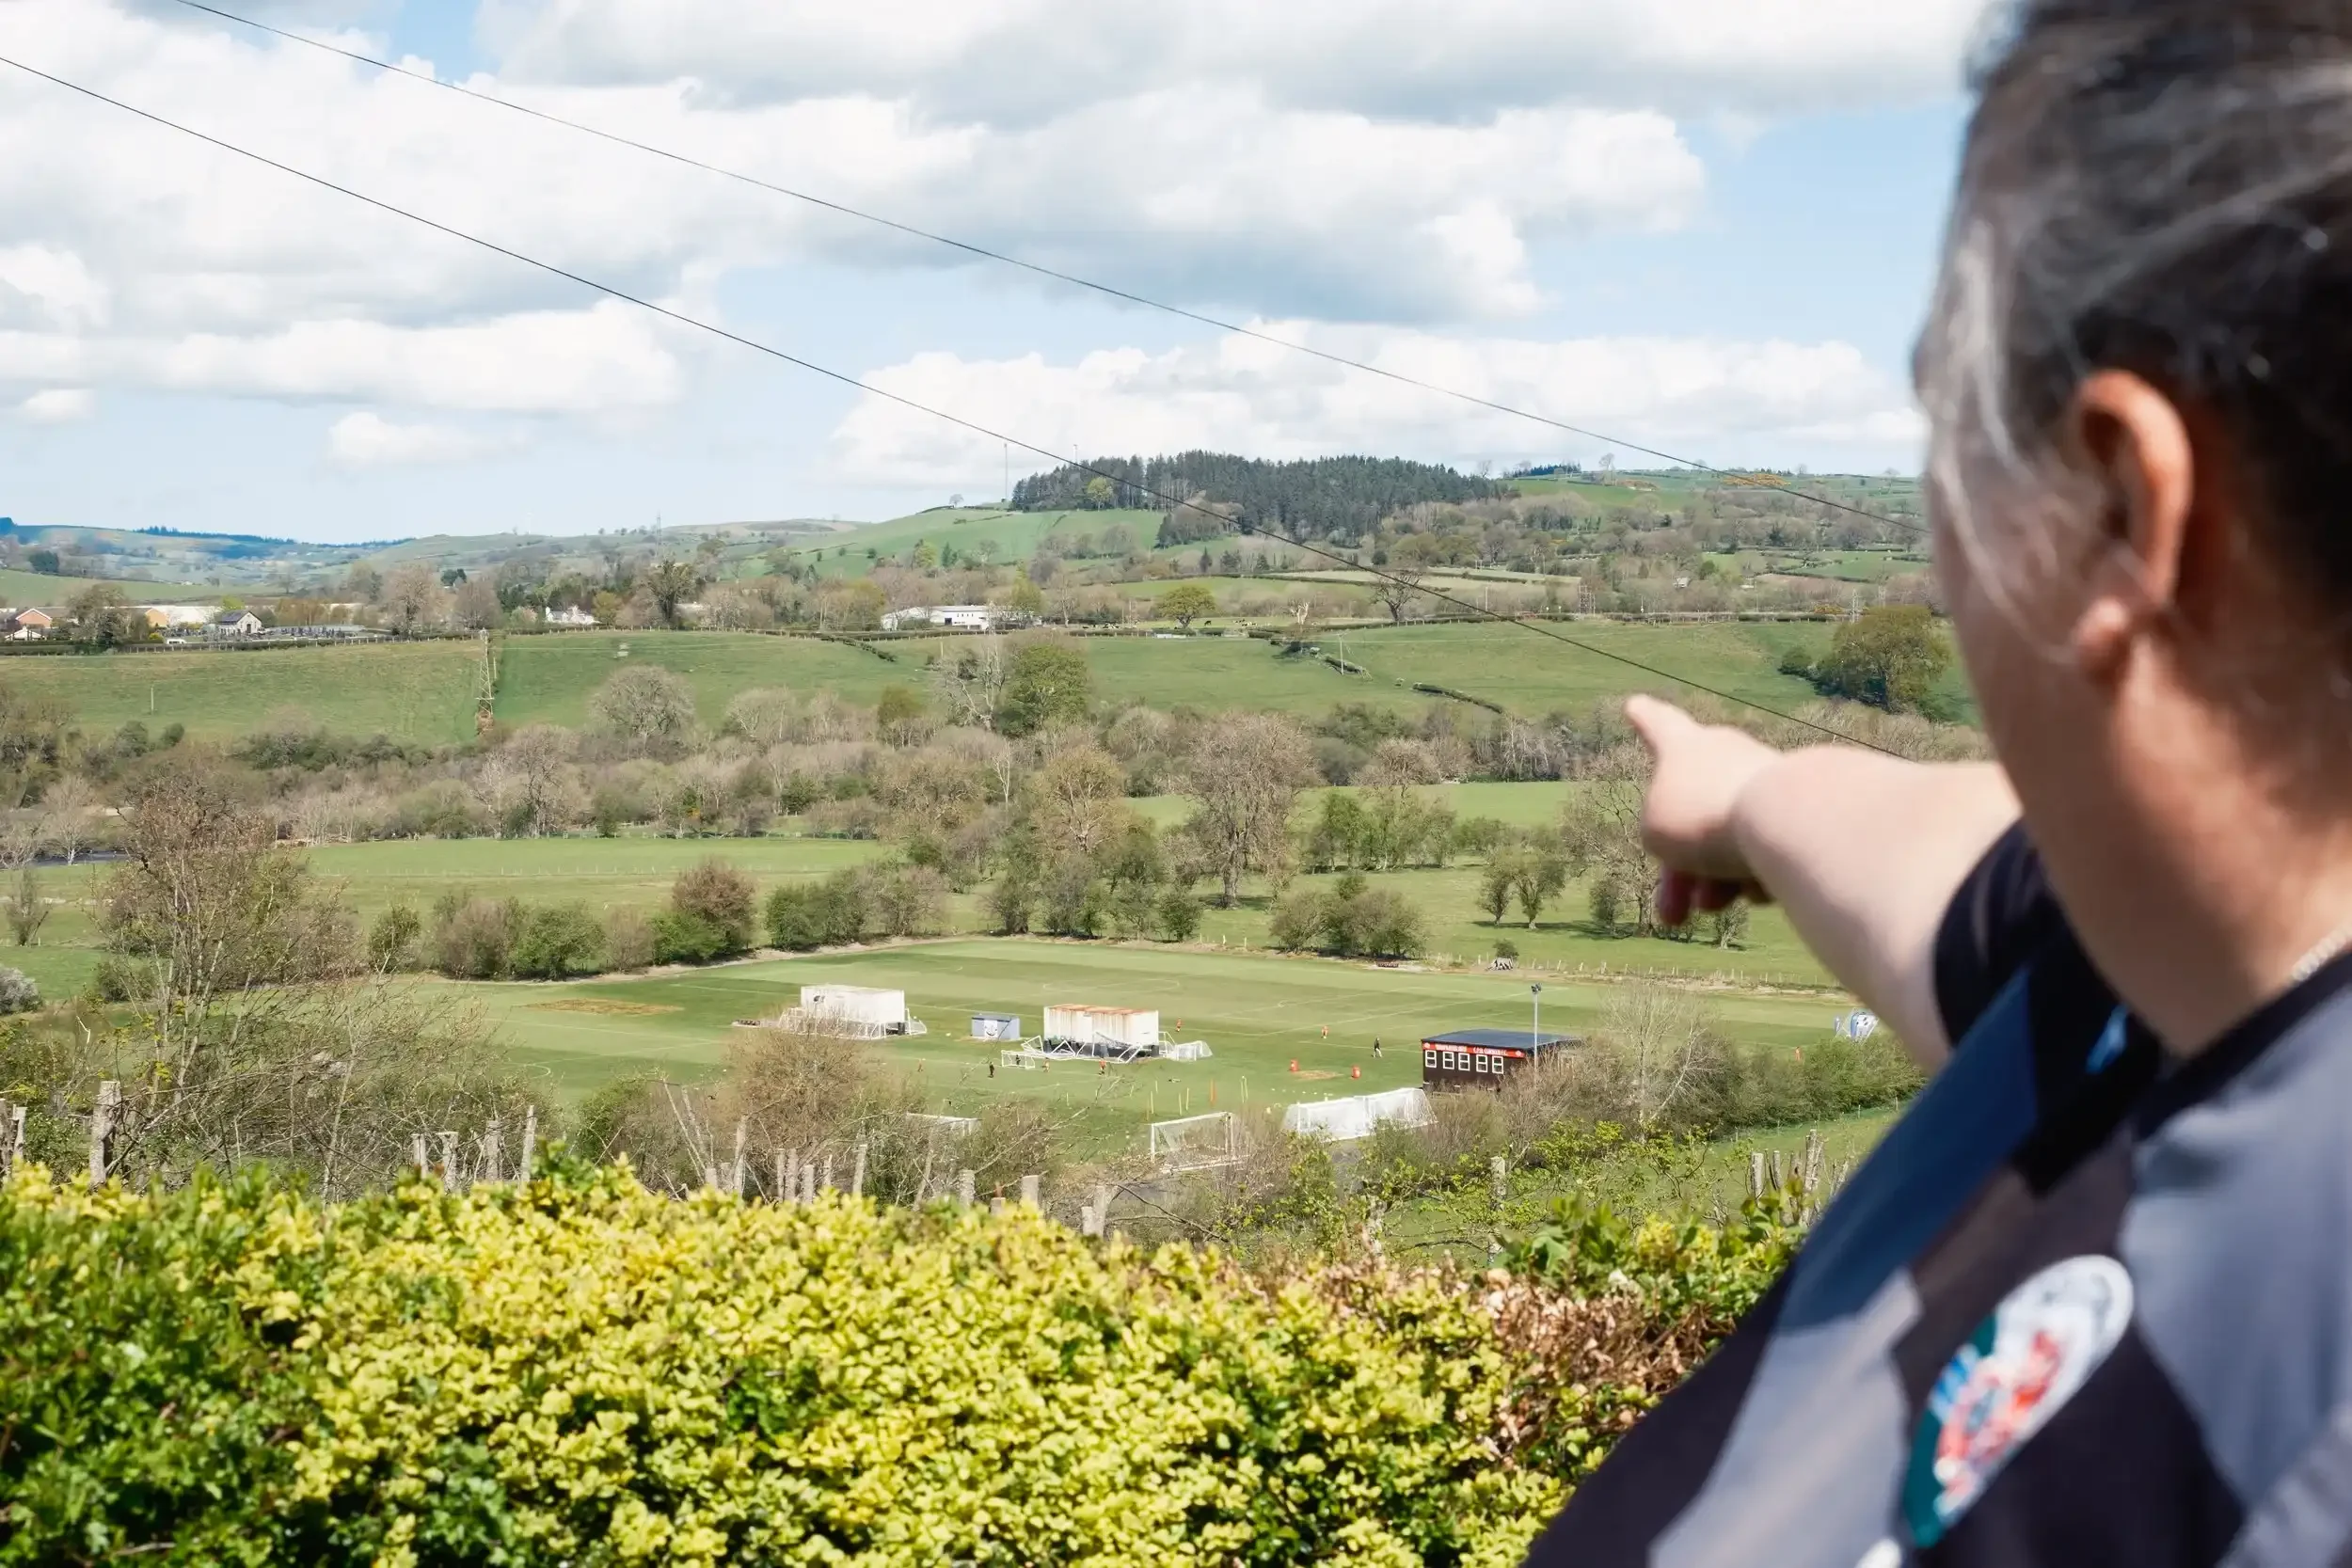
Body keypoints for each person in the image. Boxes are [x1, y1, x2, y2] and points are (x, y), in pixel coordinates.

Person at [1525, 5, 2352, 1563]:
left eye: (1947, 424)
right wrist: (1739, 792)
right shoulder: (2164, 949)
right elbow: (1946, 866)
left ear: (2119, 513)